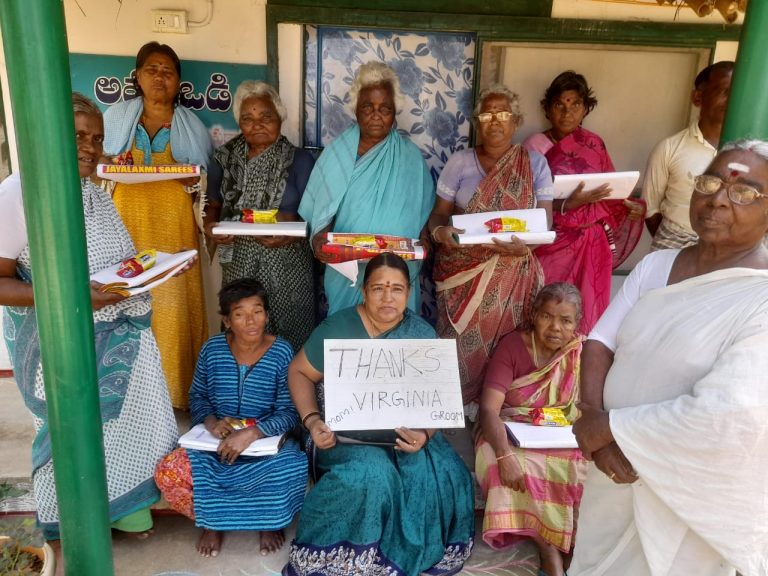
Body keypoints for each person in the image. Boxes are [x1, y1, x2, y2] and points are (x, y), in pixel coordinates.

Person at [570, 141, 768, 576]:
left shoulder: (762, 297)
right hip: (614, 473)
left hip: (685, 496)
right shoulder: (656, 266)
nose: (718, 198)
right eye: (711, 182)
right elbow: (600, 342)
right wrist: (589, 415)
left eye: (745, 192)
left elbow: (731, 415)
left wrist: (607, 428)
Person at [0, 93, 178, 557]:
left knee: (125, 419)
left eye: (97, 138)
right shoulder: (19, 192)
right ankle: (69, 518)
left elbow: (119, 264)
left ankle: (126, 509)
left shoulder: (96, 193)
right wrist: (77, 297)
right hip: (55, 339)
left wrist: (150, 271)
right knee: (71, 424)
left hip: (115, 329)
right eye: (78, 135)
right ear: (49, 134)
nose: (89, 146)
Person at [283, 253, 475, 576]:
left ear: (409, 293)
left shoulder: (421, 334)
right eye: (378, 288)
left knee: (443, 470)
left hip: (406, 433)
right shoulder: (339, 327)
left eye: (397, 289)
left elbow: (437, 400)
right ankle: (346, 556)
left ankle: (397, 554)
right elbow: (299, 372)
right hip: (344, 436)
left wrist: (425, 434)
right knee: (373, 474)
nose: (388, 297)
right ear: (363, 291)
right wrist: (312, 421)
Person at [155, 279, 307, 558]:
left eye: (257, 311)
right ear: (227, 321)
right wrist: (211, 423)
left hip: (265, 443)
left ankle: (267, 523)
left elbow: (288, 411)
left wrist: (252, 433)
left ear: (267, 315)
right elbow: (198, 395)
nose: (251, 321)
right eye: (240, 313)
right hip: (217, 441)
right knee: (170, 470)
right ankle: (212, 522)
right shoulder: (212, 349)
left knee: (291, 468)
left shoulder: (282, 351)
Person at [428, 84, 553, 410]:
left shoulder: (535, 164)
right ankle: (451, 408)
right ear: (477, 122)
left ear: (516, 121)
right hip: (462, 270)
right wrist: (440, 233)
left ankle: (493, 411)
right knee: (456, 343)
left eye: (503, 114)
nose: (494, 121)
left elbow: (544, 223)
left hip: (513, 273)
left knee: (505, 344)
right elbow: (439, 214)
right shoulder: (460, 163)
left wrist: (523, 247)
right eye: (487, 114)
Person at [104, 41, 213, 408]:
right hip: (126, 224)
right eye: (152, 69)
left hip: (174, 227)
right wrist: (114, 162)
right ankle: (131, 398)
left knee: (171, 306)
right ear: (137, 76)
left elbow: (202, 178)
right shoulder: (116, 118)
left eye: (168, 71)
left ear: (179, 81)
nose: (159, 77)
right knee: (128, 300)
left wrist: (190, 178)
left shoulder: (190, 124)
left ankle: (174, 395)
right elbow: (95, 163)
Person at [299, 61, 434, 315]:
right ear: (355, 110)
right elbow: (321, 211)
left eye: (384, 108)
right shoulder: (336, 154)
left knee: (393, 337)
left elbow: (423, 211)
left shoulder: (411, 157)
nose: (376, 114)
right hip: (346, 272)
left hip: (397, 270)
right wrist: (319, 240)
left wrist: (425, 241)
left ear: (395, 112)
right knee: (347, 334)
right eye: (367, 107)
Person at [476, 282, 585, 576]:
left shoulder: (578, 354)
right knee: (505, 467)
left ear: (576, 324)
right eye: (547, 316)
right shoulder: (513, 346)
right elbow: (489, 409)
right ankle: (545, 544)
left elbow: (586, 407)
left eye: (566, 320)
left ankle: (571, 544)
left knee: (582, 467)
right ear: (534, 315)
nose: (555, 327)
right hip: (509, 431)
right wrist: (503, 454)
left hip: (561, 433)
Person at [523, 71, 645, 333]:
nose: (567, 113)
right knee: (548, 305)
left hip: (592, 246)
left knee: (585, 313)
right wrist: (567, 205)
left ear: (585, 108)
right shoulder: (534, 146)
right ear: (547, 109)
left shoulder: (593, 144)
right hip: (552, 244)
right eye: (560, 105)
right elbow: (524, 202)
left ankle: (576, 367)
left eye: (575, 104)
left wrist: (630, 207)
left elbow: (609, 195)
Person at [203, 81, 316, 352]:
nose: (257, 125)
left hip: (289, 266)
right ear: (239, 122)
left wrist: (288, 228)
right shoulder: (223, 158)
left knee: (291, 336)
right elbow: (213, 205)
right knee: (244, 333)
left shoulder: (299, 160)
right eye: (247, 119)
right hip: (239, 264)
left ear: (280, 118)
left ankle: (291, 390)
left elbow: (316, 216)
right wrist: (211, 227)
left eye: (266, 117)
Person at [642, 60, 734, 250]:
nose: (733, 99)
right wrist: (675, 245)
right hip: (674, 246)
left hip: (729, 252)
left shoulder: (753, 154)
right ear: (698, 97)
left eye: (739, 93)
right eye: (725, 90)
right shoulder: (669, 148)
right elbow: (650, 209)